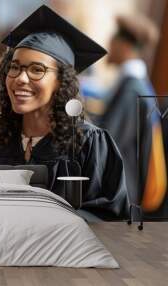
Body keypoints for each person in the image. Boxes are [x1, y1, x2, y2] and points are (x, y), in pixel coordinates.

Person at [0, 5, 128, 220]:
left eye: (37, 70)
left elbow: (109, 219)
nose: (21, 78)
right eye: (15, 67)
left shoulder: (88, 145)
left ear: (61, 82)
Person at [97, 14, 166, 216]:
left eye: (113, 39)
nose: (108, 44)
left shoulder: (131, 90)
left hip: (118, 204)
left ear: (124, 45)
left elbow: (108, 143)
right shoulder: (137, 85)